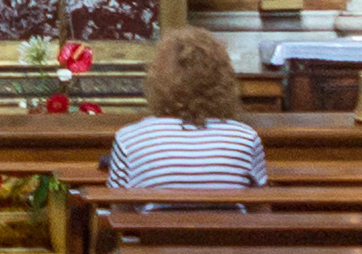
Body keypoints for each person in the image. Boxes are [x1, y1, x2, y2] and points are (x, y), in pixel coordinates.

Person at [102, 31, 267, 190]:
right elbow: (259, 211)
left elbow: (120, 211)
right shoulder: (245, 139)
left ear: (158, 79)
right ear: (223, 79)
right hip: (226, 220)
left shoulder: (130, 139)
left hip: (159, 220)